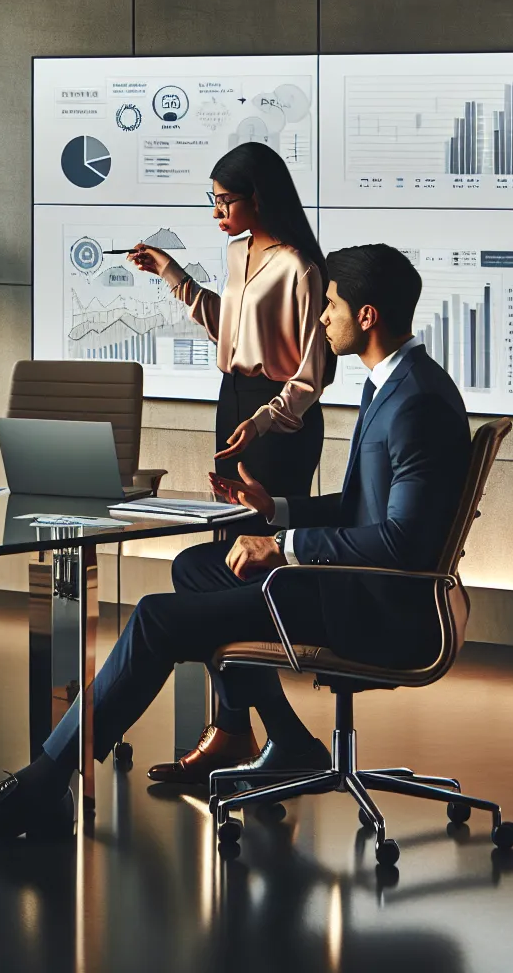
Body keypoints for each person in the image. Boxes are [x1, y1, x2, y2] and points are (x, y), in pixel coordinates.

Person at [0, 244, 472, 840]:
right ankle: (288, 737)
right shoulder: (393, 385)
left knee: (156, 619)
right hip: (355, 584)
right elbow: (360, 508)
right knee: (197, 566)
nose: (320, 319)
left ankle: (46, 780)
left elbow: (401, 544)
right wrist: (277, 510)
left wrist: (284, 546)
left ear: (366, 317)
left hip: (376, 604)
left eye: (331, 306)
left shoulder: (416, 403)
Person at [124, 142, 333, 785]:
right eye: (212, 199)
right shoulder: (238, 252)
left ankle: (250, 730)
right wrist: (173, 276)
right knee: (223, 565)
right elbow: (232, 336)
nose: (216, 210)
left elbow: (309, 375)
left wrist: (264, 422)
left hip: (280, 422)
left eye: (225, 199)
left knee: (245, 577)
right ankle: (240, 727)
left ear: (258, 197)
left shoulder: (299, 266)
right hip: (232, 404)